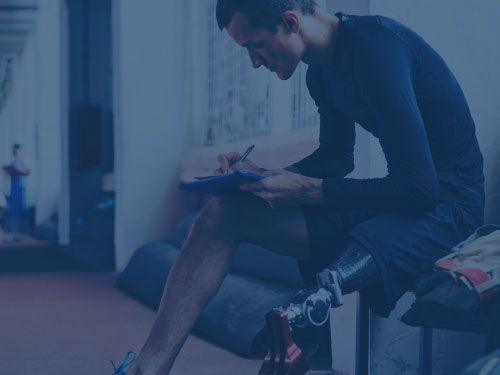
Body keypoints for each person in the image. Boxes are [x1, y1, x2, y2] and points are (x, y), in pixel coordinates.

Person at [113, 1, 484, 374]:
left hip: (448, 208)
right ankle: (147, 369)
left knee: (347, 260)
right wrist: (263, 174)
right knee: (222, 213)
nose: (254, 62)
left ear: (290, 22)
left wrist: (310, 189)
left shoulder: (377, 49)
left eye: (253, 45)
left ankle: (303, 319)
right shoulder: (320, 73)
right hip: (400, 204)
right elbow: (336, 160)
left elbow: (420, 188)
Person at [2, 144, 30, 238]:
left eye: (16, 150)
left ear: (18, 150)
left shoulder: (21, 160)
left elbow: (27, 171)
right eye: (13, 150)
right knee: (12, 207)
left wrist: (18, 171)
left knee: (19, 206)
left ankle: (20, 231)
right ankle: (13, 230)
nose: (14, 151)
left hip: (19, 185)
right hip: (13, 186)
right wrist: (9, 172)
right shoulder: (12, 160)